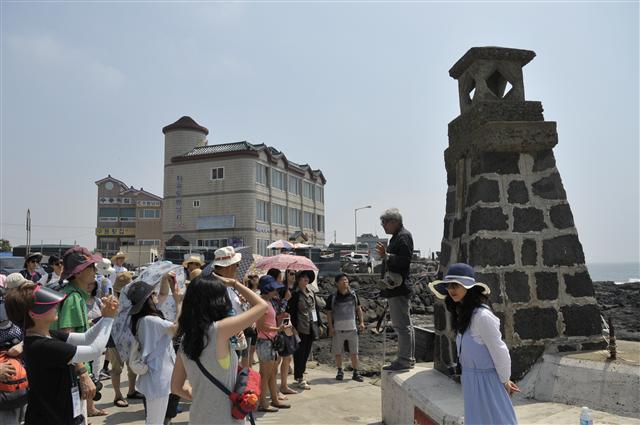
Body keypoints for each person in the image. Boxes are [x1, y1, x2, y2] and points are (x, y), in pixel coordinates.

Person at [5, 283, 118, 425]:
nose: (56, 306)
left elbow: (86, 338)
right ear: (34, 314)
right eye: (49, 305)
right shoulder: (40, 345)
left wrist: (105, 317)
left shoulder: (47, 336)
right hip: (50, 419)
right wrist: (108, 319)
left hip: (58, 414)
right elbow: (94, 351)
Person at [171, 274, 268, 424]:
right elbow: (262, 306)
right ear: (218, 301)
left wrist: (202, 395)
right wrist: (234, 283)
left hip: (198, 418)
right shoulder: (219, 330)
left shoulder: (186, 338)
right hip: (226, 420)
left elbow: (176, 387)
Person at [428, 263, 519, 425]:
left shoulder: (482, 316)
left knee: (497, 420)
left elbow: (499, 350)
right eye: (449, 285)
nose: (451, 289)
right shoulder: (464, 314)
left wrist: (505, 379)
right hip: (470, 379)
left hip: (487, 381)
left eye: (456, 285)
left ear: (469, 288)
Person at [52, 246, 108, 418]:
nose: (94, 270)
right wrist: (83, 374)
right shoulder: (74, 298)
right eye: (89, 267)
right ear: (77, 273)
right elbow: (68, 338)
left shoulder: (73, 294)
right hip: (70, 372)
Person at [129, 277, 183, 425]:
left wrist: (166, 280)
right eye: (153, 294)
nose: (156, 295)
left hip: (155, 375)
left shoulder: (142, 319)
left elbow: (164, 295)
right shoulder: (150, 320)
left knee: (155, 419)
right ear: (148, 299)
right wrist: (179, 304)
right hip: (158, 377)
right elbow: (176, 328)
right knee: (155, 421)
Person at [376, 208, 415, 371]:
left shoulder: (403, 237)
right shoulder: (397, 237)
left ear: (394, 222)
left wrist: (387, 256)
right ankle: (408, 358)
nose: (383, 226)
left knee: (402, 326)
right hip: (396, 288)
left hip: (398, 288)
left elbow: (404, 261)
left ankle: (405, 360)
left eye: (384, 222)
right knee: (405, 325)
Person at [256, 275, 291, 412]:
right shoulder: (262, 303)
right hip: (265, 341)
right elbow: (260, 326)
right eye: (274, 289)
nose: (276, 291)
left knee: (271, 373)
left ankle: (274, 400)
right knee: (265, 374)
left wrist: (279, 319)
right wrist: (278, 328)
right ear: (268, 289)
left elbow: (268, 321)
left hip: (269, 341)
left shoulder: (268, 302)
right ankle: (263, 402)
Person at [326, 273, 365, 382]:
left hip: (352, 328)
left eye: (346, 280)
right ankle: (340, 371)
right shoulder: (332, 297)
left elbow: (358, 309)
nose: (345, 282)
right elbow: (328, 313)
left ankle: (356, 372)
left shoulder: (354, 295)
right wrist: (330, 327)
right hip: (338, 329)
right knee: (338, 352)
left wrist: (361, 322)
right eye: (343, 280)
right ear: (337, 283)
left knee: (354, 352)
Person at [106, 272, 137, 408]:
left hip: (130, 337)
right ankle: (118, 395)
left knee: (131, 367)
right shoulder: (111, 301)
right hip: (115, 338)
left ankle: (131, 391)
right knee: (117, 369)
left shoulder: (133, 301)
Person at [287, 270, 322, 390]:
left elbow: (315, 309)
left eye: (307, 278)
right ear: (298, 280)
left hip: (311, 326)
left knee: (306, 352)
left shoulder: (311, 293)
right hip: (300, 327)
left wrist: (320, 324)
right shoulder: (295, 294)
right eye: (303, 277)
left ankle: (301, 374)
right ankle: (299, 377)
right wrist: (294, 328)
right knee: (299, 353)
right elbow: (291, 312)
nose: (305, 279)